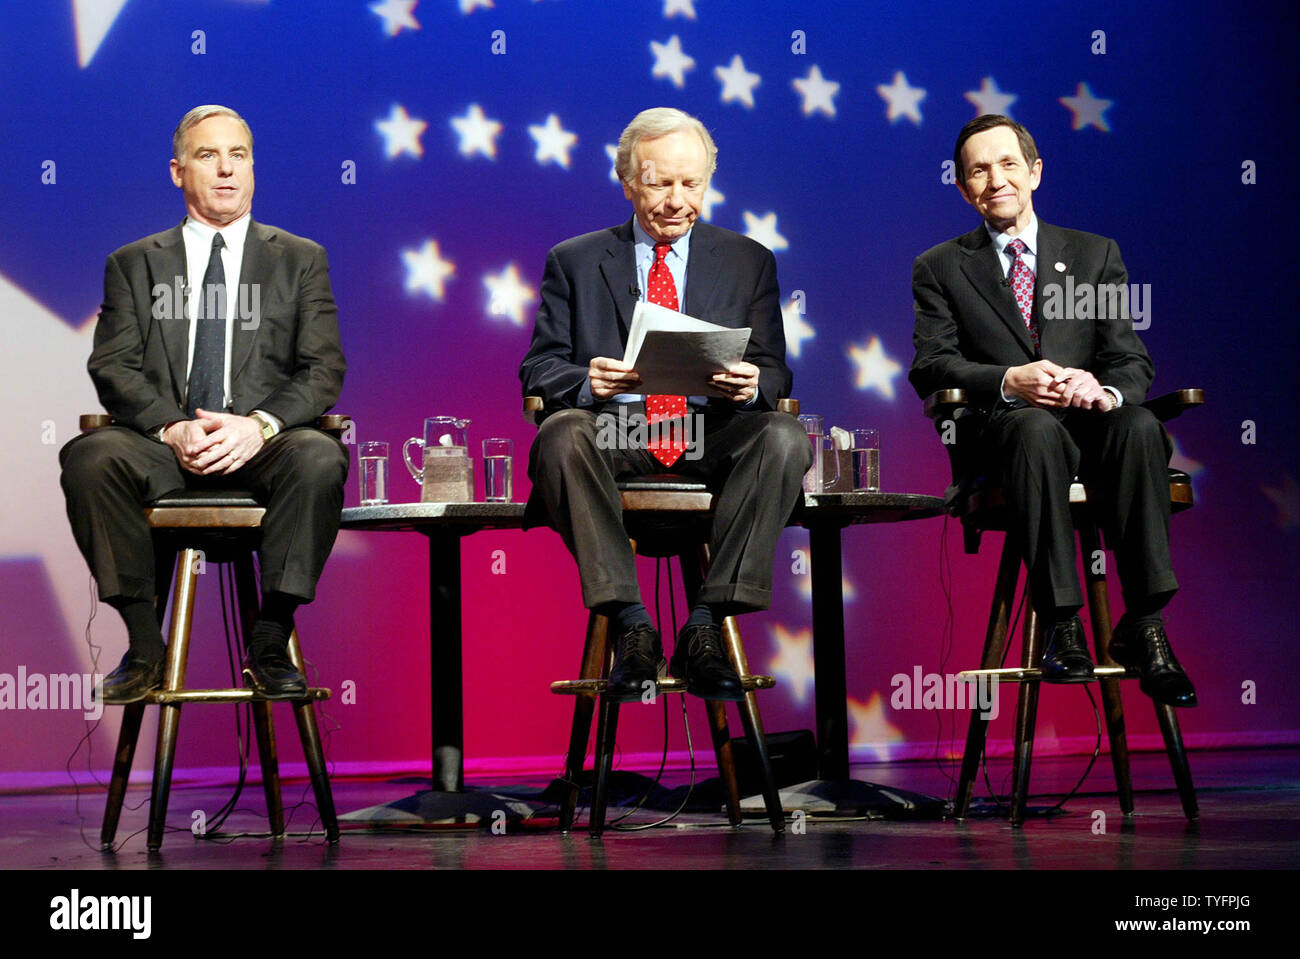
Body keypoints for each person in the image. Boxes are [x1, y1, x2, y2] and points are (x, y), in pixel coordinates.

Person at [520, 107, 811, 703]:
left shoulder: (748, 260)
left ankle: (705, 623)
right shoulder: (573, 261)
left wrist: (750, 384)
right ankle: (632, 625)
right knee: (561, 434)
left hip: (710, 432)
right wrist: (586, 381)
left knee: (784, 439)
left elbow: (776, 372)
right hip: (619, 434)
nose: (678, 200)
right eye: (660, 183)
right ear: (627, 181)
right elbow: (539, 368)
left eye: (692, 183)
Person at [60, 105, 348, 703]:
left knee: (319, 457)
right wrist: (170, 427)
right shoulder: (134, 263)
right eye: (207, 156)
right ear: (177, 171)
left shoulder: (300, 259)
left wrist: (258, 426)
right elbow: (112, 366)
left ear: (253, 167)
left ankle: (270, 638)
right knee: (90, 458)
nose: (225, 171)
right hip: (163, 449)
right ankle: (143, 646)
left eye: (237, 156)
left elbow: (322, 370)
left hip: (263, 449)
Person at [910, 114, 1195, 707]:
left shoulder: (1094, 255)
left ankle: (1144, 622)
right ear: (963, 189)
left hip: (1092, 430)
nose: (996, 180)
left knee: (1139, 422)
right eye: (979, 171)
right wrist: (1008, 380)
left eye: (1008, 164)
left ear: (1035, 172)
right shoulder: (940, 267)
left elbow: (1129, 361)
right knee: (1036, 428)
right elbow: (932, 368)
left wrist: (1104, 391)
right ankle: (1062, 624)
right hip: (1008, 436)